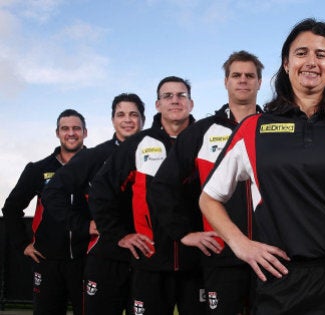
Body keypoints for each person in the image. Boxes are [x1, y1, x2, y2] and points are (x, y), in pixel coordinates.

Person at [198, 18, 325, 314]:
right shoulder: (253, 129)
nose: (311, 62)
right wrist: (241, 244)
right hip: (284, 283)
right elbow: (209, 198)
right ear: (286, 64)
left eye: (321, 55)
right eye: (301, 53)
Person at [149, 50, 264, 314]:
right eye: (236, 75)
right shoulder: (200, 132)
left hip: (269, 254)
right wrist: (183, 233)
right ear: (226, 82)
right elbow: (163, 187)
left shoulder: (275, 127)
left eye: (250, 75)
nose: (243, 80)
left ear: (259, 82)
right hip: (221, 257)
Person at [89, 76, 203, 315]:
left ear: (191, 104)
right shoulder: (138, 144)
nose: (175, 101)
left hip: (199, 263)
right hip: (150, 263)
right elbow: (101, 189)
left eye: (181, 95)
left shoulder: (208, 140)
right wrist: (119, 234)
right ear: (157, 105)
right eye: (167, 96)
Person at [42, 93, 145, 315]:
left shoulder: (157, 152)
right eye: (121, 114)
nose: (127, 119)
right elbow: (52, 192)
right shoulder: (96, 156)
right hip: (105, 257)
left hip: (146, 258)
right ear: (113, 120)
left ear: (143, 120)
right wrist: (82, 225)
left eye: (133, 114)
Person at [1, 109, 87, 315]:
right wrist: (23, 244)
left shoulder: (100, 167)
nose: (71, 133)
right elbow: (11, 208)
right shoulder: (38, 169)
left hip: (87, 261)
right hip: (47, 262)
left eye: (76, 128)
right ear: (57, 133)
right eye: (65, 128)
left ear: (85, 132)